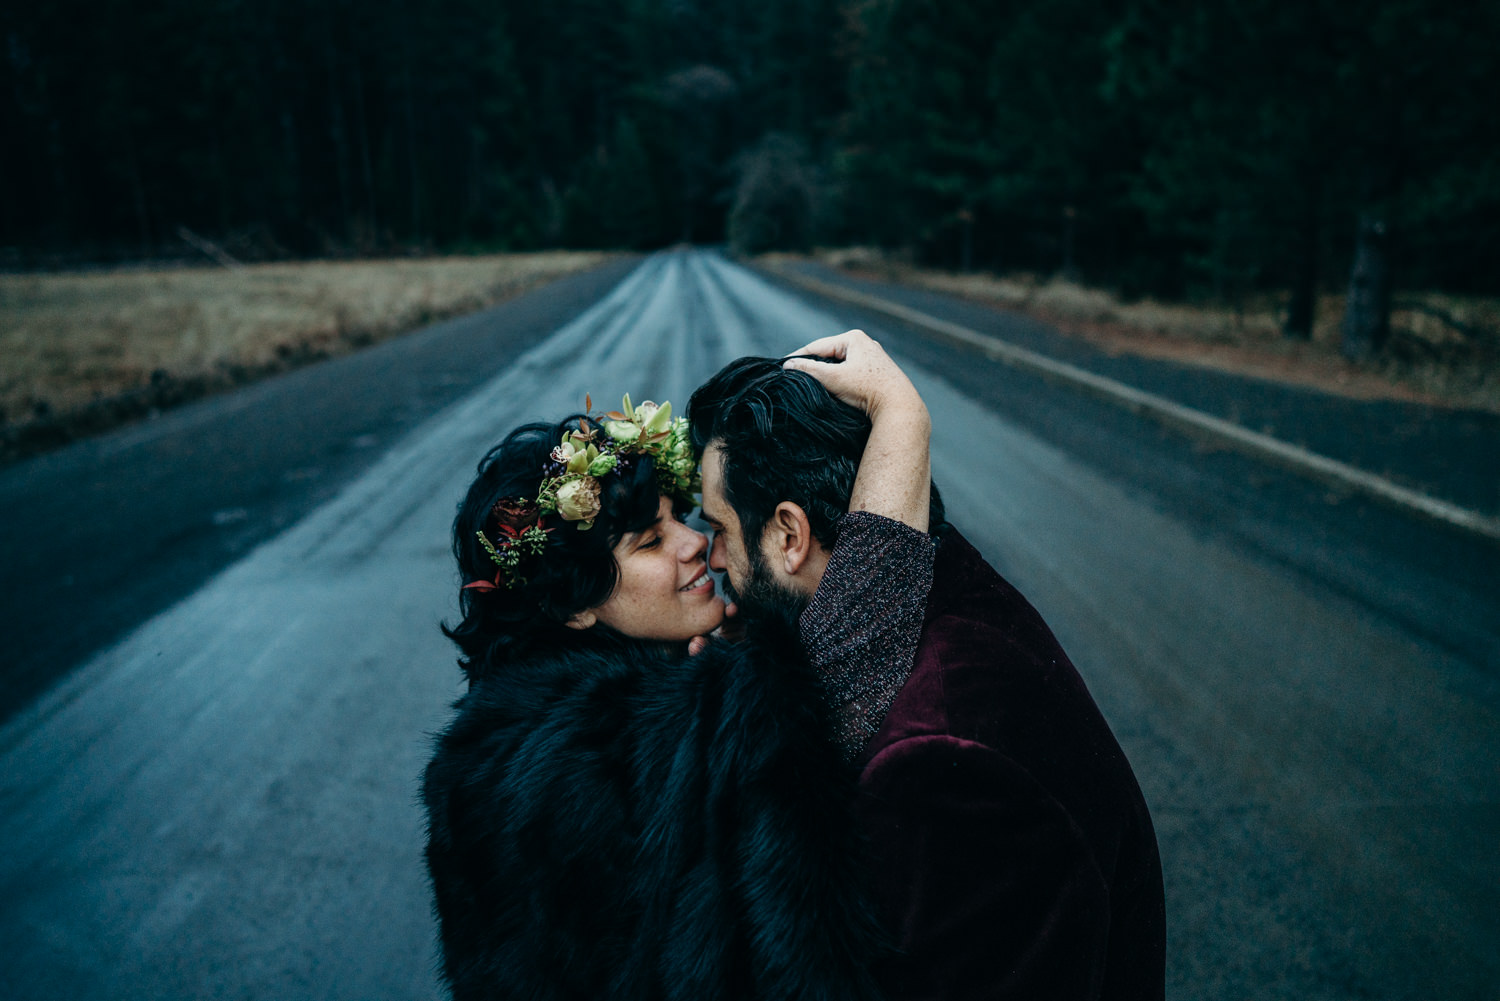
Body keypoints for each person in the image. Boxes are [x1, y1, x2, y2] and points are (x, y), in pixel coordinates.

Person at [687, 331, 1167, 1001]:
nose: (707, 556)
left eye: (720, 530)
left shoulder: (930, 761)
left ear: (790, 536)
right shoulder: (940, 589)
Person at [421, 393, 906, 1001]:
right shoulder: (614, 743)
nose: (695, 542)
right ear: (573, 604)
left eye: (679, 516)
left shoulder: (487, 743)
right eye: (650, 542)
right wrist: (902, 423)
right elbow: (862, 643)